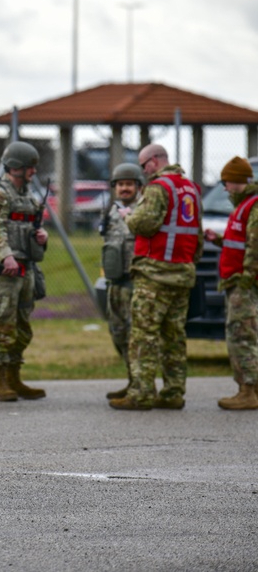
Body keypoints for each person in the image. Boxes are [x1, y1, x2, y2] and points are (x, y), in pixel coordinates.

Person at [110, 144, 202, 411]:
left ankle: (141, 393)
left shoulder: (158, 188)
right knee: (174, 335)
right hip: (182, 273)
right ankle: (174, 392)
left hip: (155, 274)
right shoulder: (191, 189)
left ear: (153, 162)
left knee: (143, 335)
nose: (143, 171)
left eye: (142, 165)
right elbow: (196, 234)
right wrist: (188, 265)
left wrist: (129, 217)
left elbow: (146, 224)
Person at [0, 141, 49, 402]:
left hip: (26, 267)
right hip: (5, 271)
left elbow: (27, 226)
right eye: (30, 167)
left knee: (22, 327)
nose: (33, 171)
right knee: (2, 327)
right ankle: (1, 384)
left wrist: (42, 236)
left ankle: (15, 378)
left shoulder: (27, 195)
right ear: (17, 167)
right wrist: (6, 256)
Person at [204, 156, 258, 410]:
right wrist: (218, 239)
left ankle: (247, 391)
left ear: (237, 181)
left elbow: (255, 247)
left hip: (243, 283)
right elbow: (240, 242)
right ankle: (251, 389)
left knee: (241, 335)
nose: (224, 188)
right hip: (238, 281)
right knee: (244, 333)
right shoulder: (244, 206)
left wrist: (247, 279)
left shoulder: (253, 206)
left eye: (227, 182)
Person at [100, 162, 146, 399]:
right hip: (114, 282)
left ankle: (140, 384)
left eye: (129, 184)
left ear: (138, 186)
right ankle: (131, 380)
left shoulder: (143, 211)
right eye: (120, 185)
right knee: (117, 332)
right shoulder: (111, 210)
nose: (124, 189)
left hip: (134, 281)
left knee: (134, 335)